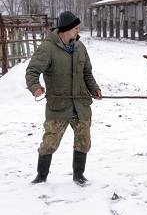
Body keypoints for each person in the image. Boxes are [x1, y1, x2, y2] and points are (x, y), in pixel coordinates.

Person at [25, 11, 102, 186]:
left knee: (84, 141)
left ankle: (79, 175)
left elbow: (87, 73)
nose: (78, 31)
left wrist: (95, 89)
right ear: (66, 29)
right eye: (75, 28)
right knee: (50, 142)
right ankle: (41, 176)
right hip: (58, 105)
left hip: (80, 104)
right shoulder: (48, 48)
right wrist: (35, 87)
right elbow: (32, 71)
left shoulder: (80, 47)